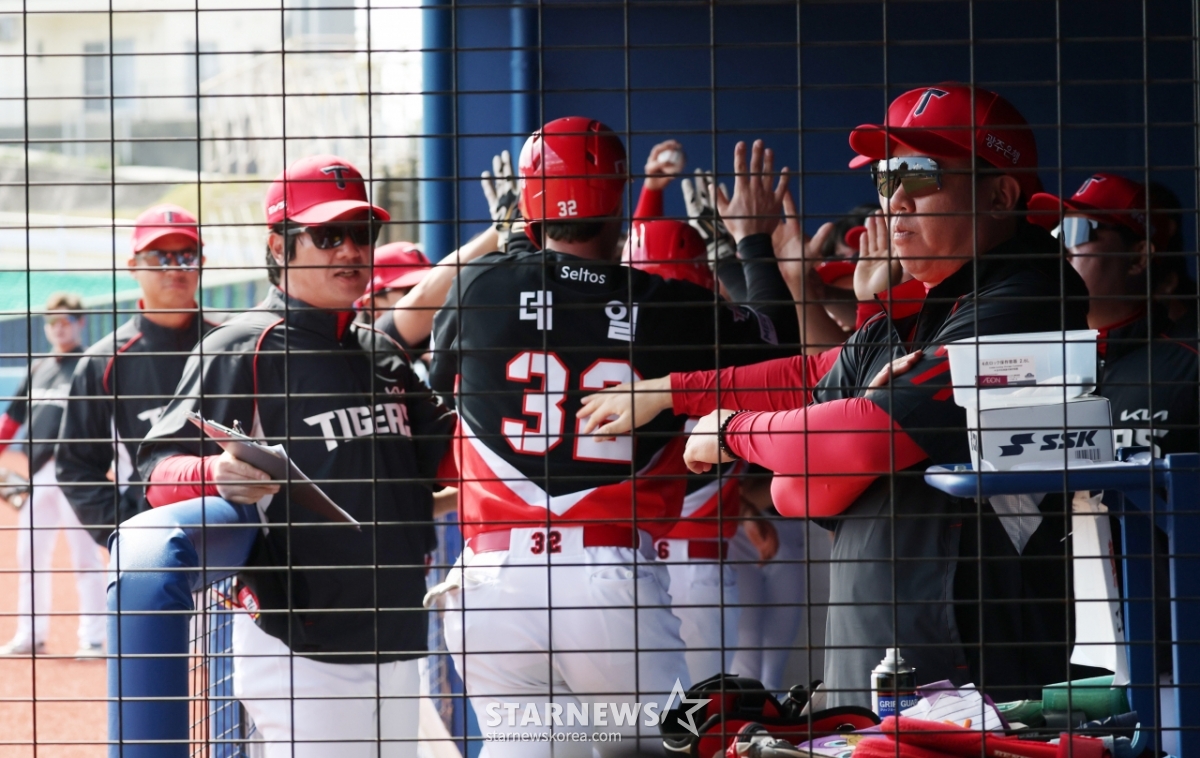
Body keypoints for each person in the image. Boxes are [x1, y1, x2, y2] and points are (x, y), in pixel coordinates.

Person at [578, 84, 1091, 707]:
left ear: (1001, 194)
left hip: (975, 661)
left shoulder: (1028, 301)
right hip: (894, 641)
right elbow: (800, 461)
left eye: (921, 177)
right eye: (885, 179)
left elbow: (851, 435)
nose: (895, 201)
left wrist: (733, 431)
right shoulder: (927, 308)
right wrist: (672, 391)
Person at [429, 116, 799, 756]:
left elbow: (442, 381)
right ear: (619, 196)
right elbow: (780, 353)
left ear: (529, 201)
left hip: (489, 581)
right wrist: (753, 243)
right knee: (660, 749)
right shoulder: (667, 305)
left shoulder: (477, 286)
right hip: (606, 578)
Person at [137, 155, 456, 758]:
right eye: (327, 234)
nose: (348, 250)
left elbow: (447, 457)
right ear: (280, 247)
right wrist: (213, 473)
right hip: (300, 647)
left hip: (395, 635)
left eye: (361, 233)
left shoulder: (380, 350)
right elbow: (153, 474)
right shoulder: (242, 344)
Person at [56, 205, 217, 546]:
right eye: (160, 257)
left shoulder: (234, 345)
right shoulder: (104, 362)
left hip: (239, 539)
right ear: (134, 266)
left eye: (187, 255)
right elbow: (76, 466)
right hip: (152, 543)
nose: (175, 267)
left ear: (201, 262)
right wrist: (130, 531)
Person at [1028, 173, 1199, 460]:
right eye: (1058, 233)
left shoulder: (1191, 363)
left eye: (1078, 230)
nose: (1061, 249)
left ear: (1138, 258)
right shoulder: (1027, 362)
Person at [0, 293, 107, 657]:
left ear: (80, 323)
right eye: (52, 322)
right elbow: (12, 420)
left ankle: (92, 638)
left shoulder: (91, 364)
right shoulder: (39, 367)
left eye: (65, 321)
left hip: (78, 474)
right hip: (39, 472)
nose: (58, 328)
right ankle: (31, 634)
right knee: (29, 554)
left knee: (85, 557)